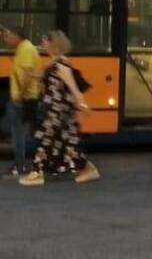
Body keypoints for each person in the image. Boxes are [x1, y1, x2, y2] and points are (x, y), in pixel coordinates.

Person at [19, 30, 99, 187]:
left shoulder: (61, 63)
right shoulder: (53, 62)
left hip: (57, 109)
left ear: (53, 43)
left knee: (46, 138)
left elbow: (71, 85)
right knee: (66, 141)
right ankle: (87, 168)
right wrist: (31, 76)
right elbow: (46, 79)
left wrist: (82, 104)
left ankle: (36, 172)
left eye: (44, 41)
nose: (42, 44)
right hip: (56, 108)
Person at [5, 26, 40, 177]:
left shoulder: (26, 49)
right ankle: (19, 164)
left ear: (17, 35)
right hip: (22, 98)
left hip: (23, 99)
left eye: (8, 35)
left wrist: (19, 96)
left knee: (19, 134)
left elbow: (26, 75)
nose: (6, 39)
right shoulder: (23, 48)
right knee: (19, 133)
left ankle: (19, 166)